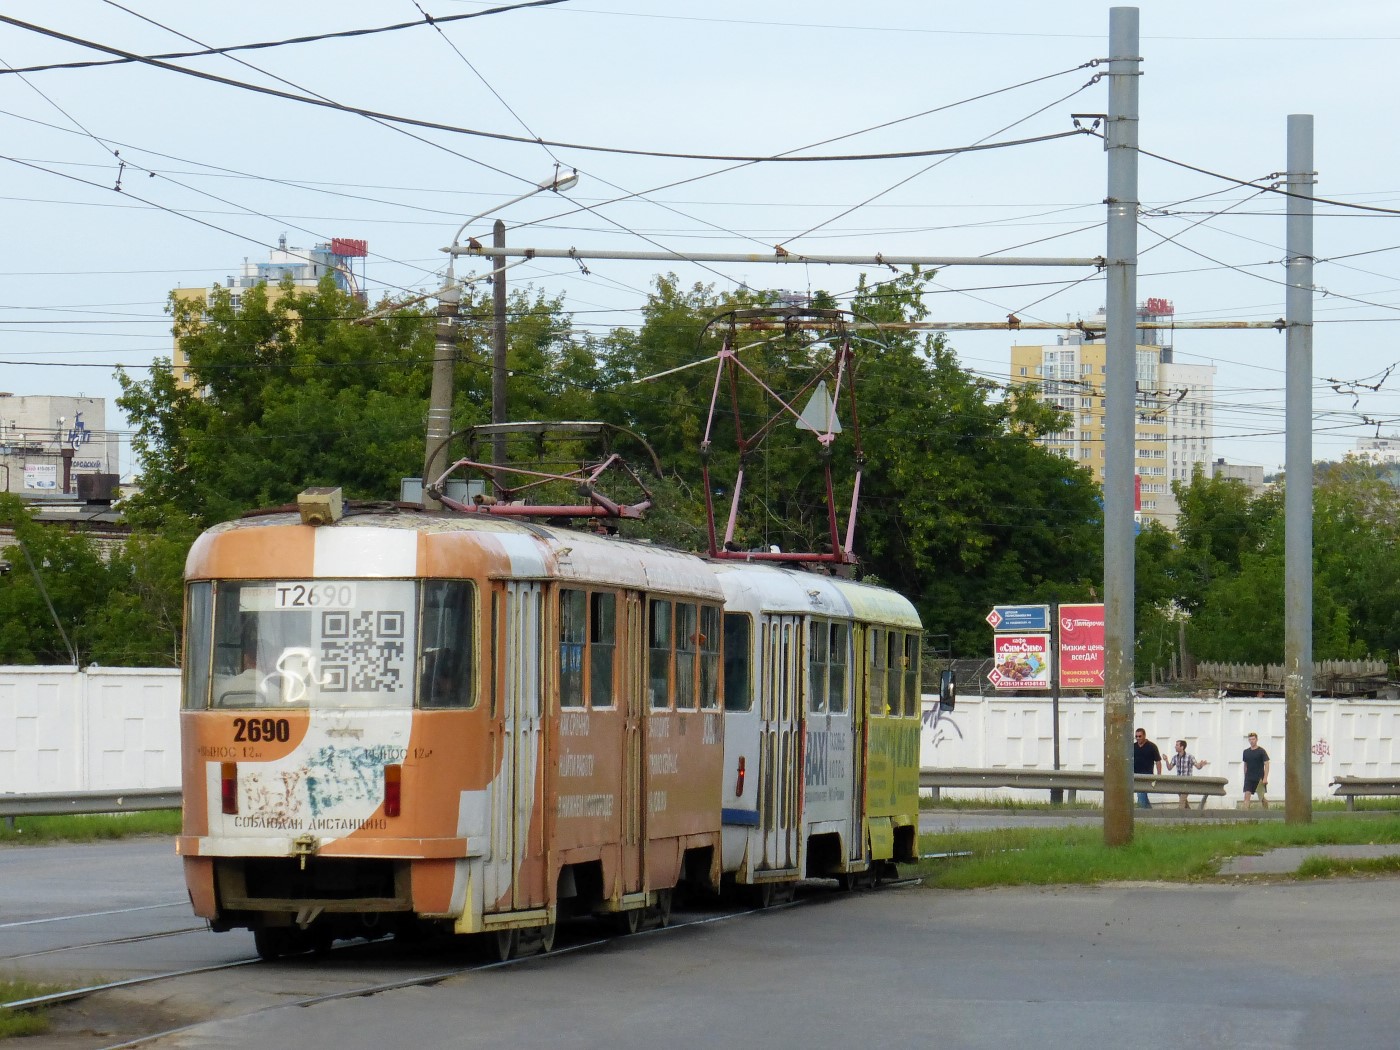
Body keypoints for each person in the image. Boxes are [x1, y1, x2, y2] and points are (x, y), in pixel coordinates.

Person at [1166, 739, 1209, 809]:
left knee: (1182, 800)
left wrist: (1201, 764)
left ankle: (1180, 814)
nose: (1175, 747)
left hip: (1187, 782)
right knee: (1183, 800)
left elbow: (1197, 766)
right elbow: (1169, 768)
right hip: (1179, 782)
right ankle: (1189, 813)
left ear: (1182, 747)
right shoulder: (1175, 757)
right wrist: (1166, 760)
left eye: (1177, 745)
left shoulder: (1190, 757)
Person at [1133, 728, 1163, 809]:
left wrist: (1159, 775)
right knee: (1143, 794)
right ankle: (1150, 813)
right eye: (1136, 736)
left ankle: (1141, 813)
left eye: (1140, 736)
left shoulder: (1152, 746)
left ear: (1144, 736)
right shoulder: (1133, 746)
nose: (1138, 738)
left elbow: (1158, 761)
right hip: (1135, 774)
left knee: (1141, 793)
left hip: (1147, 774)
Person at [1242, 732, 1271, 809]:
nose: (1251, 741)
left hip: (1259, 778)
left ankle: (1266, 812)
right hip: (1249, 778)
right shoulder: (1246, 752)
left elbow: (1267, 764)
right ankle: (1245, 816)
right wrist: (1245, 776)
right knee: (1247, 795)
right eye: (1250, 739)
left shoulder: (1261, 751)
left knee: (1261, 798)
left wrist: (1265, 778)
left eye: (1253, 739)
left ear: (1257, 740)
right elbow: (1245, 765)